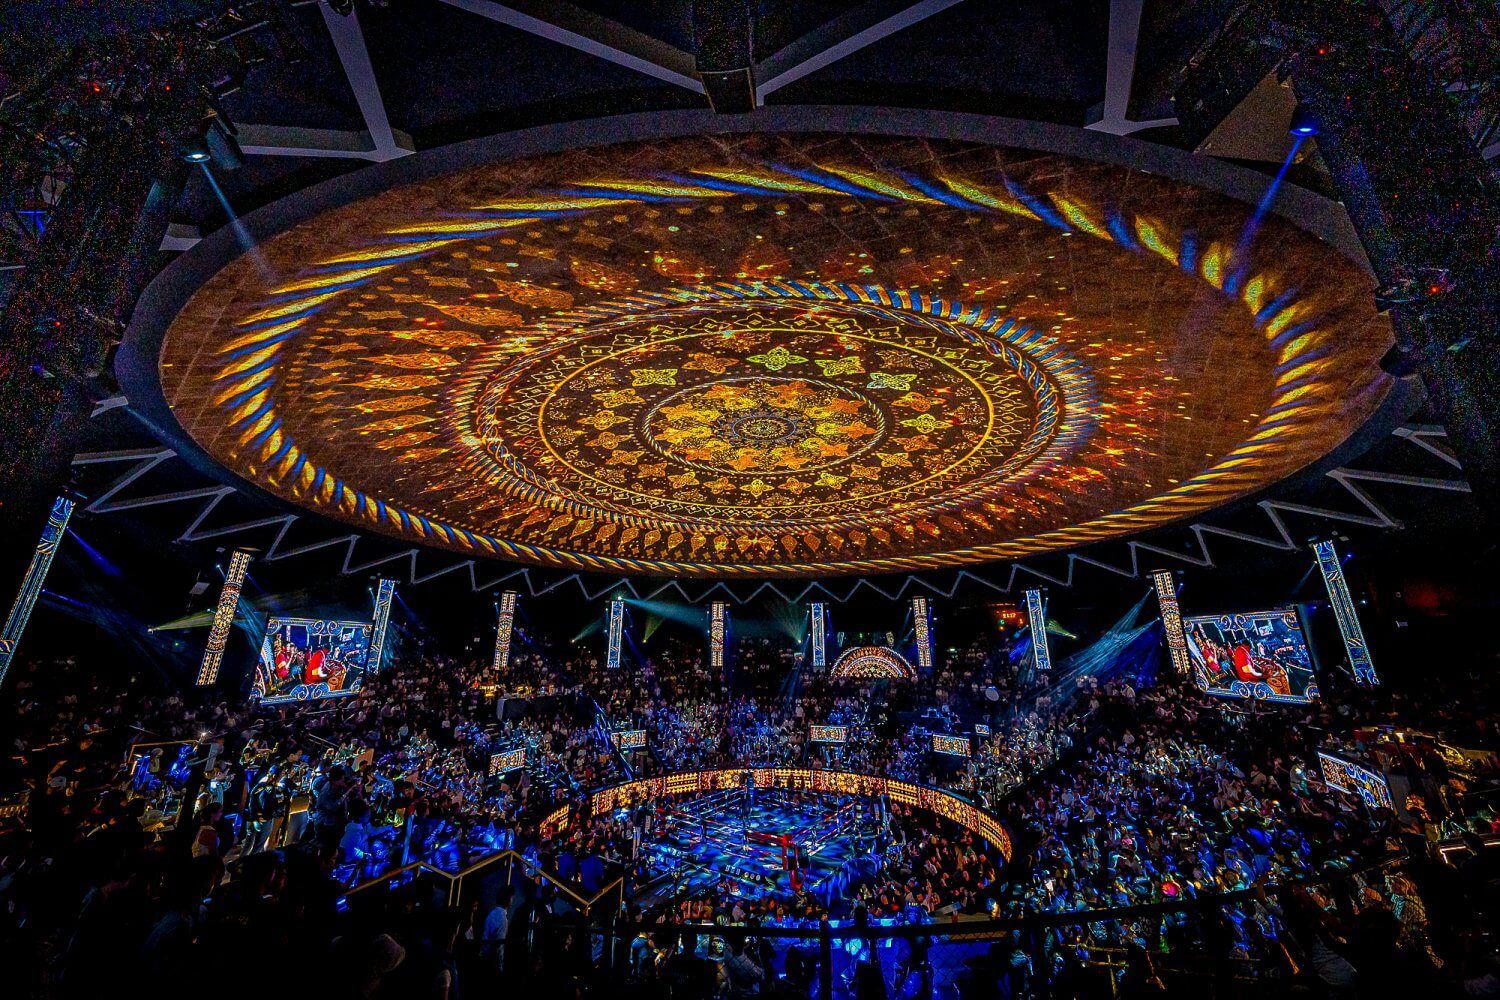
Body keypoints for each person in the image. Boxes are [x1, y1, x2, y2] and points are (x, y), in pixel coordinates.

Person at [722, 928, 765, 999]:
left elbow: (735, 947)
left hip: (734, 992)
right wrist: (757, 952)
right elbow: (761, 976)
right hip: (748, 995)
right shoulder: (745, 964)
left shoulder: (727, 952)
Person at [481, 885, 514, 975]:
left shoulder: (492, 913)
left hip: (484, 957)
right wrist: (500, 966)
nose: (512, 899)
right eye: (511, 897)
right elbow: (500, 945)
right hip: (493, 962)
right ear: (507, 899)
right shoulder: (503, 918)